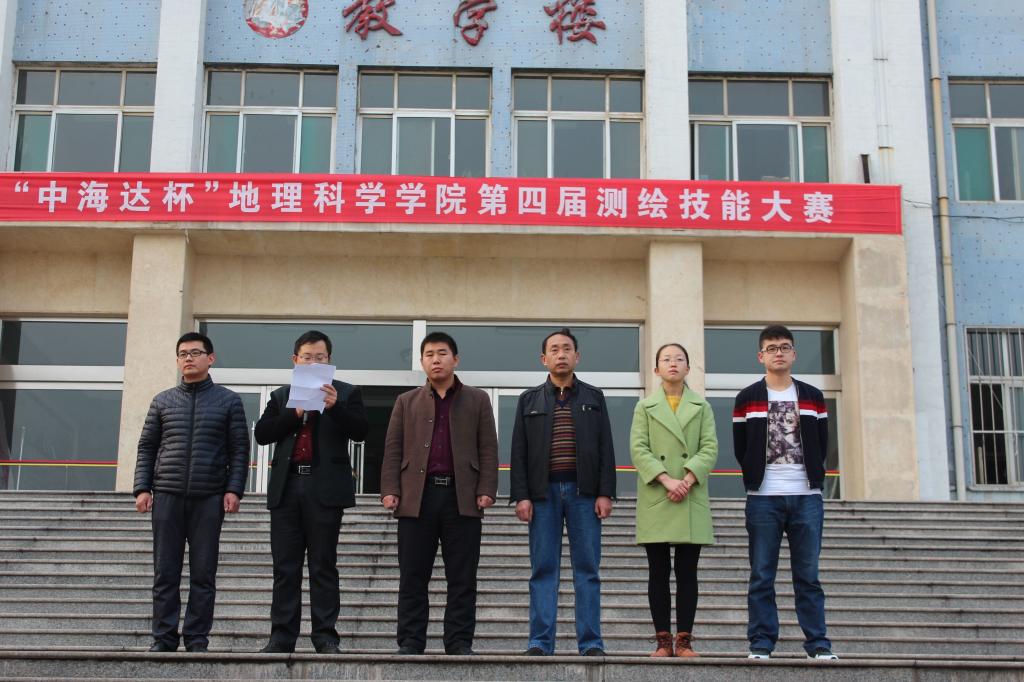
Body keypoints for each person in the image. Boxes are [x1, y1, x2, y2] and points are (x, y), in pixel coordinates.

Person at [379, 331, 499, 655]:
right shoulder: (406, 401)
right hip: (417, 497)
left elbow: (488, 447)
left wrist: (487, 487)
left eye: (442, 353)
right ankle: (411, 641)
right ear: (421, 362)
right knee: (413, 576)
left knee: (462, 577)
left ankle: (458, 641)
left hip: (462, 497)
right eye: (429, 354)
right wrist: (390, 488)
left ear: (455, 359)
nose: (436, 359)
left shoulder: (477, 399)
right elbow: (393, 449)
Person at [133, 332, 249, 653]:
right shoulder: (162, 401)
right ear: (177, 360)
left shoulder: (228, 401)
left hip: (209, 497)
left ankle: (197, 638)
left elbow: (239, 449)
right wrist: (142, 488)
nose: (188, 358)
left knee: (203, 573)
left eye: (195, 353)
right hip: (167, 495)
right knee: (165, 572)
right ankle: (164, 638)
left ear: (210, 359)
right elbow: (147, 447)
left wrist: (234, 489)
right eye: (183, 353)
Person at [255, 330, 369, 654]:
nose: (313, 362)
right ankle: (281, 637)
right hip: (287, 487)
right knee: (285, 567)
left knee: (323, 565)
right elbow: (263, 434)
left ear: (329, 361)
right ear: (295, 360)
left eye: (320, 358)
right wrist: (295, 413)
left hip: (325, 489)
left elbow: (361, 431)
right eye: (307, 357)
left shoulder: (346, 392)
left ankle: (325, 636)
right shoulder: (281, 396)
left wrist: (335, 407)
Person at [733, 325, 838, 660]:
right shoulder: (747, 398)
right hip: (763, 498)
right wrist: (754, 475)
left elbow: (822, 441)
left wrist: (813, 476)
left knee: (808, 576)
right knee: (761, 574)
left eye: (784, 347)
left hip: (806, 496)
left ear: (793, 353)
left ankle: (818, 644)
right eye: (771, 348)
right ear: (760, 356)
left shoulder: (813, 396)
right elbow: (741, 447)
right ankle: (761, 643)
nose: (778, 353)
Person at [509, 328, 616, 657]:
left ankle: (591, 643)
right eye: (554, 349)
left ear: (577, 356)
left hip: (585, 495)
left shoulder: (594, 397)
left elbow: (606, 446)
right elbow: (519, 452)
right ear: (544, 359)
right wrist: (522, 495)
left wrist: (605, 492)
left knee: (588, 571)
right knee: (543, 570)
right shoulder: (529, 400)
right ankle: (540, 642)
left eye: (567, 349)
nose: (561, 354)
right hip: (543, 496)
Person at [630, 343, 718, 657]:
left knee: (687, 571)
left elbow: (709, 448)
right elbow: (638, 448)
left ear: (688, 368)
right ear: (656, 369)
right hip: (658, 493)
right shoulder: (645, 407)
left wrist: (687, 480)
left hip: (690, 493)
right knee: (658, 571)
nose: (673, 363)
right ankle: (663, 641)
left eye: (679, 359)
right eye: (666, 359)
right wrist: (667, 479)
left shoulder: (702, 406)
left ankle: (684, 640)